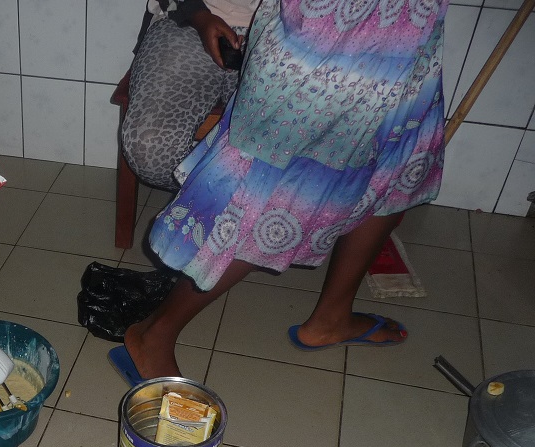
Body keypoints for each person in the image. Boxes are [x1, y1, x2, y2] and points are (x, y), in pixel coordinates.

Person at [110, 0, 446, 382]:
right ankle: (155, 334)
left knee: (391, 170)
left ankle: (332, 317)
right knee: (273, 198)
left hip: (410, 38)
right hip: (326, 41)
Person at [121, 0, 260, 191]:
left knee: (270, 152)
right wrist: (198, 15)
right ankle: (220, 200)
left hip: (287, 33)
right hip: (182, 19)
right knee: (149, 150)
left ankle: (230, 204)